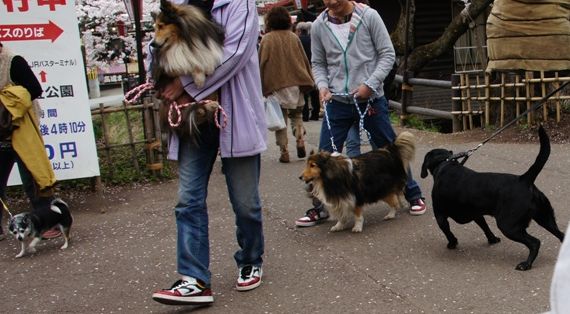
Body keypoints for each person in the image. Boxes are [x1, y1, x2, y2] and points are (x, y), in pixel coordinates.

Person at [151, 0, 267, 306]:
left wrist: (186, 84)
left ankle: (251, 257)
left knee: (245, 202)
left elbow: (236, 54)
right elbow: (161, 46)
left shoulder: (239, 4)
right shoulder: (176, 6)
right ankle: (194, 278)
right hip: (193, 117)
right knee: (187, 199)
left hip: (235, 110)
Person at [295, 0, 426, 227]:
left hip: (370, 98)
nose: (330, 4)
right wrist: (322, 86)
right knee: (323, 156)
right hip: (335, 101)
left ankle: (413, 194)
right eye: (326, 0)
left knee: (390, 149)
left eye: (335, 0)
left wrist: (370, 83)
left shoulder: (369, 16)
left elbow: (387, 54)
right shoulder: (319, 25)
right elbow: (318, 63)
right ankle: (320, 207)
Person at [0, 42, 62, 240]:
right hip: (0, 135)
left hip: (21, 129)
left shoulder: (13, 61)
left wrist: (8, 98)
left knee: (34, 179)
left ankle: (46, 224)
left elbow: (34, 89)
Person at [258, 7, 315, 163]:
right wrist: (309, 79)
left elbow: (261, 63)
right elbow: (303, 60)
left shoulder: (267, 39)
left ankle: (284, 151)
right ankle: (300, 140)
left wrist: (261, 85)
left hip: (276, 85)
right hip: (296, 84)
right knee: (297, 115)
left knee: (280, 120)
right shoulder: (293, 37)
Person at [296, 21, 321, 122]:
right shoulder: (312, 39)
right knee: (315, 92)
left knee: (304, 92)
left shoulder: (298, 40)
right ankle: (315, 113)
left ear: (299, 30)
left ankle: (305, 114)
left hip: (302, 67)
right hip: (314, 66)